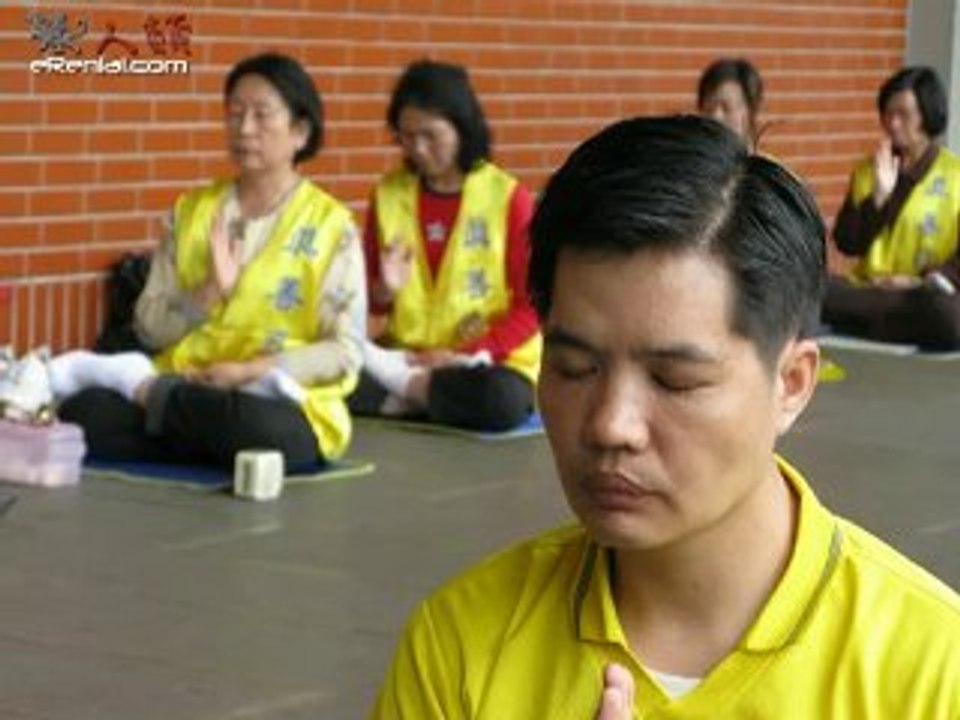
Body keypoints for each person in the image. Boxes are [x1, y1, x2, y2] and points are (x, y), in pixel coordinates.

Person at [369, 116, 960, 718]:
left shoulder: (932, 670)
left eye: (674, 381)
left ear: (790, 384)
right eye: (575, 367)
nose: (610, 426)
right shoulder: (462, 645)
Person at [10, 52, 366, 470]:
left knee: (270, 434)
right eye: (234, 115)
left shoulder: (331, 227)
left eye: (261, 115)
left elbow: (344, 351)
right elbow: (149, 327)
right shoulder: (192, 212)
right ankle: (179, 417)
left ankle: (159, 405)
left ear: (301, 132)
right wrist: (207, 293)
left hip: (267, 398)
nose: (244, 129)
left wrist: (250, 370)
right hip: (187, 379)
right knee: (88, 413)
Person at [350, 59, 541, 432]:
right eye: (406, 136)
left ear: (461, 128)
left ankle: (407, 398)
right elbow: (372, 304)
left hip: (484, 361)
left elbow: (531, 307)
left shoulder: (508, 197)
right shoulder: (388, 195)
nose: (418, 148)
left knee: (500, 399)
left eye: (430, 135)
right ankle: (422, 394)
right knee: (326, 372)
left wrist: (459, 355)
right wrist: (383, 290)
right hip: (406, 358)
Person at [825, 65, 960, 350]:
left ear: (927, 115)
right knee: (818, 289)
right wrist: (879, 199)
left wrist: (917, 282)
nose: (893, 123)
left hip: (922, 294)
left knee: (943, 312)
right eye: (888, 113)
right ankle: (884, 322)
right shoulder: (867, 170)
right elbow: (847, 243)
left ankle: (872, 322)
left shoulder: (955, 176)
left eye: (903, 114)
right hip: (870, 289)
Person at [697, 57, 764, 152]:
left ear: (750, 112)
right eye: (709, 108)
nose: (716, 116)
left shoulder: (763, 166)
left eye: (726, 108)